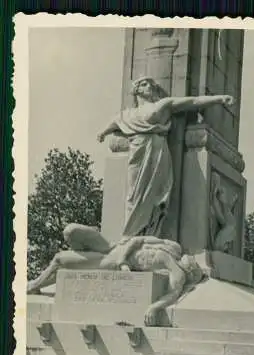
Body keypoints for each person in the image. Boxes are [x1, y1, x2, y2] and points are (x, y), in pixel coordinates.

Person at [97, 76, 234, 238]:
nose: (151, 87)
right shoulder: (127, 115)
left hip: (157, 151)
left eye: (151, 85)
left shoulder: (162, 105)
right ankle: (132, 235)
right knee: (134, 194)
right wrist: (103, 132)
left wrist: (219, 99)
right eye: (145, 84)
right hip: (137, 153)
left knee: (156, 194)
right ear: (137, 89)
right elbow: (113, 123)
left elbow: (193, 102)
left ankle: (150, 233)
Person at [27, 223, 205, 326]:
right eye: (194, 262)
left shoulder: (177, 273)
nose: (192, 261)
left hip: (109, 262)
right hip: (114, 248)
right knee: (70, 230)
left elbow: (172, 295)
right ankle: (79, 262)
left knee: (59, 259)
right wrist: (124, 260)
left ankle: (34, 286)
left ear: (191, 273)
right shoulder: (173, 247)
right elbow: (139, 240)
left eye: (194, 267)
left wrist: (154, 308)